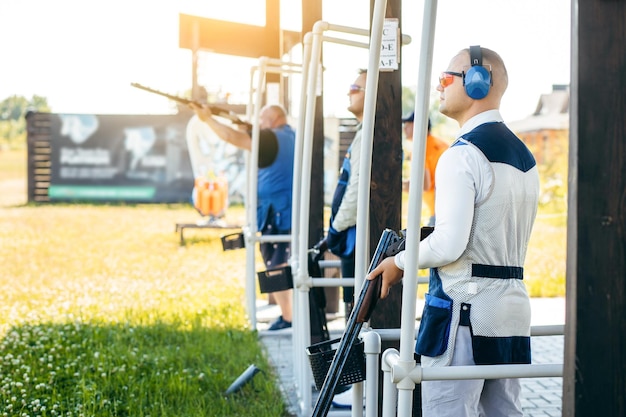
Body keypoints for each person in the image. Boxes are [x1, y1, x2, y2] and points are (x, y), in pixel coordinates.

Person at [367, 46, 540, 416]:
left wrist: (398, 262)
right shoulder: (526, 156)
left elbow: (448, 244)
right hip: (510, 309)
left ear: (478, 82)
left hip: (463, 311)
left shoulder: (461, 154)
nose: (439, 87)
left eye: (447, 78)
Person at [189, 102, 295, 331]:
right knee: (280, 264)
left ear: (274, 119)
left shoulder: (269, 138)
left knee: (276, 266)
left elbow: (230, 136)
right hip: (283, 212)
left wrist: (207, 118)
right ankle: (289, 315)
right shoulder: (290, 136)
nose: (258, 124)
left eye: (262, 119)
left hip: (276, 214)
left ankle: (289, 318)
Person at [326, 68, 366, 320]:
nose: (349, 93)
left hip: (353, 236)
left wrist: (336, 228)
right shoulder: (363, 132)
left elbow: (356, 190)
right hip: (352, 234)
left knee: (353, 307)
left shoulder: (366, 135)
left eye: (355, 89)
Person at [402, 112, 449, 226]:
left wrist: (397, 185)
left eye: (407, 125)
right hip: (450, 208)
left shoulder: (421, 147)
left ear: (417, 125)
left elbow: (424, 184)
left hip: (438, 212)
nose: (404, 129)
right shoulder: (441, 144)